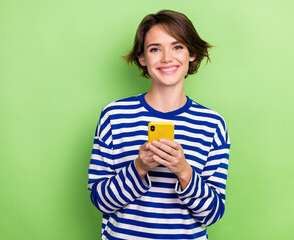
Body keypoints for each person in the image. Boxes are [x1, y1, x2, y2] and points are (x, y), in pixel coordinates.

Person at [87, 9, 231, 240]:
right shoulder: (114, 115)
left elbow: (212, 214)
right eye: (155, 49)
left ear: (191, 53)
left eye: (177, 47)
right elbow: (101, 202)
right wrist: (139, 167)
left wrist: (183, 171)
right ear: (142, 58)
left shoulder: (212, 124)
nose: (166, 58)